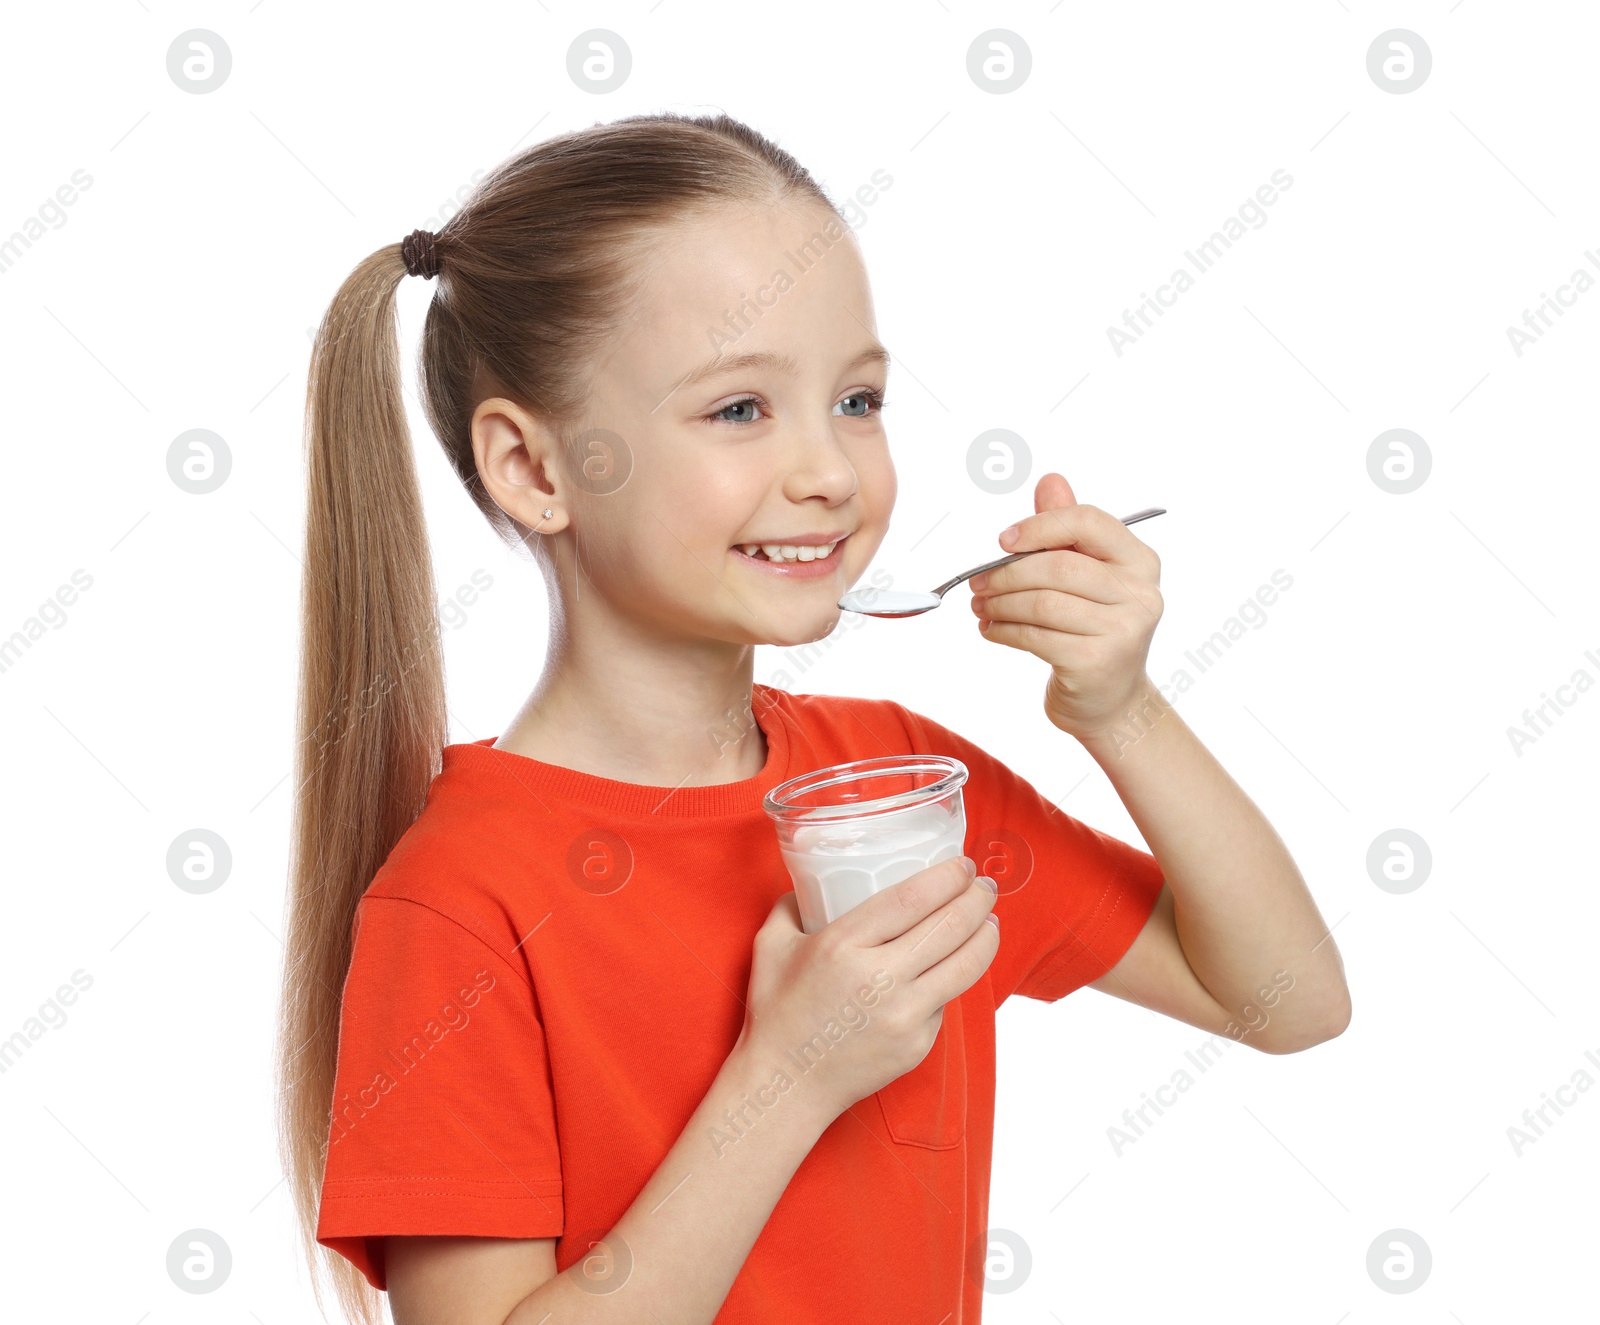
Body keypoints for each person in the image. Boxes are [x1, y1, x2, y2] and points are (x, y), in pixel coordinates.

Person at [274, 110, 1351, 1325]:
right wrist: (790, 1073)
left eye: (856, 397)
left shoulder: (902, 785)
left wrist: (1121, 708)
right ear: (534, 469)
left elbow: (1285, 1000)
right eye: (739, 409)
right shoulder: (461, 904)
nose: (832, 470)